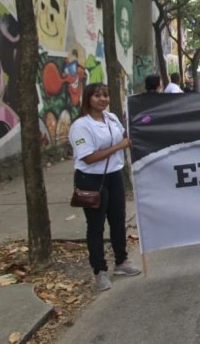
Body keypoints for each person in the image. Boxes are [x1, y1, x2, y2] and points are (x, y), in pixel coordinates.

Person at [68, 83, 140, 291]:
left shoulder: (112, 118)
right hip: (91, 179)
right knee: (96, 226)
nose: (103, 99)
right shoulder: (81, 125)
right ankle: (99, 271)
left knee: (118, 221)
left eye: (106, 95)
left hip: (114, 176)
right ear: (88, 99)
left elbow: (126, 136)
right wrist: (119, 146)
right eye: (97, 95)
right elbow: (88, 157)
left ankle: (121, 261)